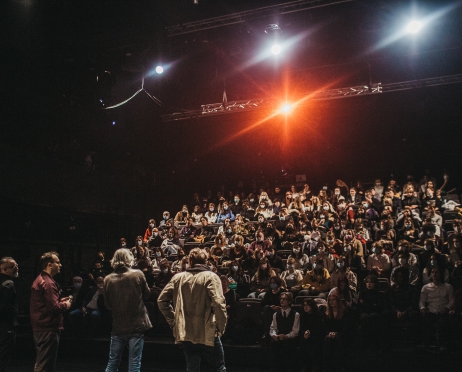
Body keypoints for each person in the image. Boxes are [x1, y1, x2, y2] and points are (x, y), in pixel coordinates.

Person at [157, 248, 227, 372]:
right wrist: (221, 327)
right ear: (206, 261)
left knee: (192, 368)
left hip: (186, 332)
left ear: (190, 261)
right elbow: (218, 303)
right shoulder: (211, 277)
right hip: (207, 331)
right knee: (218, 367)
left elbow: (161, 301)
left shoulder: (178, 277)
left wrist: (174, 321)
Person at [103, 248, 152, 372]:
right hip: (137, 324)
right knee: (134, 362)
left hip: (118, 326)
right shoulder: (138, 274)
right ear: (129, 259)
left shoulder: (107, 279)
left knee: (113, 362)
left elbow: (107, 305)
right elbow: (147, 295)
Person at [30, 252, 72, 372]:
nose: (61, 265)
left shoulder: (42, 279)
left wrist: (58, 301)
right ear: (50, 264)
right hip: (48, 327)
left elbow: (47, 303)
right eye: (58, 262)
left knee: (43, 362)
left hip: (42, 326)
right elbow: (54, 309)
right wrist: (65, 304)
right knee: (44, 365)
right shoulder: (48, 283)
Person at [268, 292, 300, 372]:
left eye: (284, 299)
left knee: (288, 344)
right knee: (274, 344)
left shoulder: (295, 314)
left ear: (289, 301)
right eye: (281, 299)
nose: (282, 301)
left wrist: (286, 336)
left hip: (290, 338)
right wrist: (274, 335)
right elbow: (273, 328)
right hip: (279, 338)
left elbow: (295, 331)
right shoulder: (276, 314)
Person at [0, 257, 18, 372]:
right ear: (6, 269)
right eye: (13, 266)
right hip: (5, 325)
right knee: (3, 354)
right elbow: (4, 306)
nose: (17, 268)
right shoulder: (8, 284)